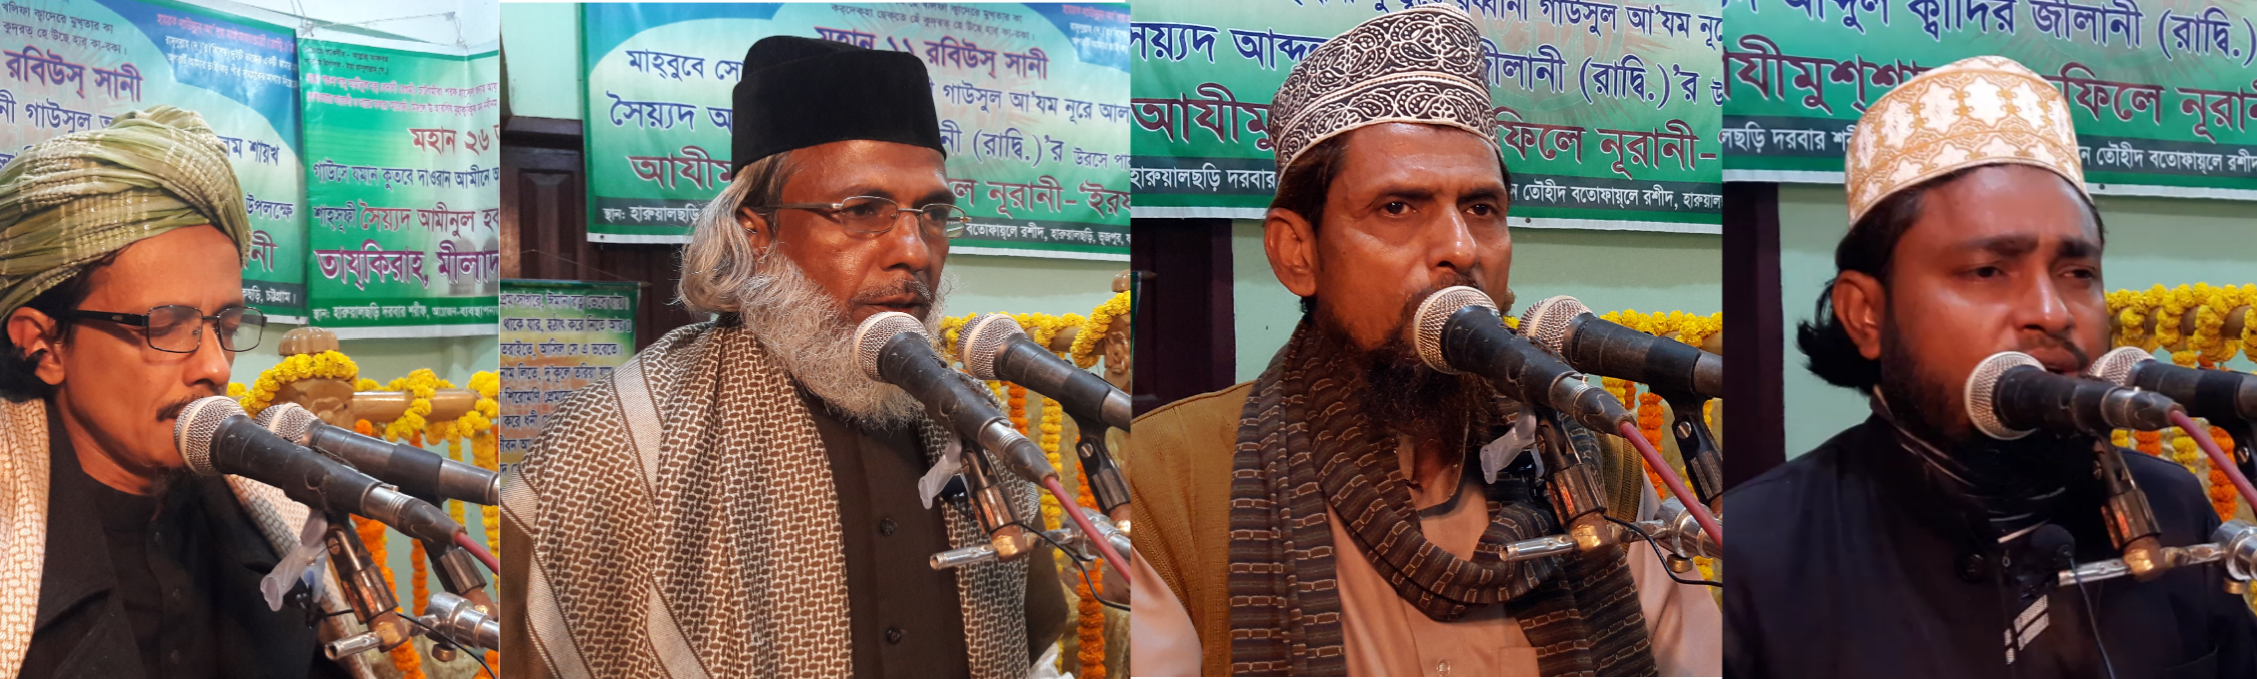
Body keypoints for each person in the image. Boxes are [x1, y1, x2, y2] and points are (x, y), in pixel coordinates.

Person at [1119, 6, 1722, 676]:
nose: (1460, 248)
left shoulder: (1592, 465)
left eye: (1481, 208)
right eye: (1397, 207)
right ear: (1297, 252)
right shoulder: (1170, 479)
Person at [496, 36, 1069, 679]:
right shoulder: (614, 443)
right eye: (863, 210)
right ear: (756, 233)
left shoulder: (970, 417)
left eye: (933, 213)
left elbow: (1031, 637)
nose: (913, 250)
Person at [1722, 55, 2257, 677]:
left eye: (2078, 273)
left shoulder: (2171, 504)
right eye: (1987, 271)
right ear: (1867, 314)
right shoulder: (1757, 548)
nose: (2052, 312)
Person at [0, 106, 342, 678]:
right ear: (43, 345)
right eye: (166, 326)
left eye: (228, 325)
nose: (215, 366)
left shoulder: (276, 503)